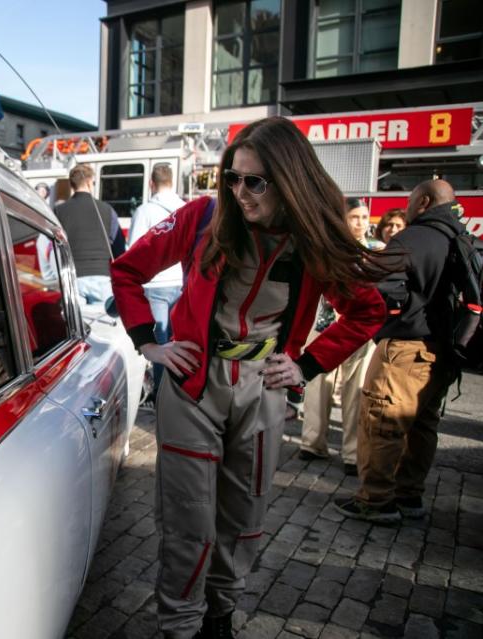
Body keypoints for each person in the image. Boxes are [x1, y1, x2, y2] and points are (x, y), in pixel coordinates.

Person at [110, 116, 389, 638]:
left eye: (254, 181)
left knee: (242, 521)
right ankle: (181, 628)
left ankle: (220, 617)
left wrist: (306, 364)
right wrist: (149, 342)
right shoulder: (202, 217)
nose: (239, 191)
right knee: (189, 522)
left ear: (288, 180)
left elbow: (367, 311)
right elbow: (127, 270)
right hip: (193, 386)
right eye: (232, 178)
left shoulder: (312, 241)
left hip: (263, 390)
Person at [336, 180, 463, 523]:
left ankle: (375, 500)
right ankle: (410, 494)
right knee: (423, 425)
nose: (405, 210)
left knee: (383, 421)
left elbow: (377, 288)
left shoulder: (413, 239)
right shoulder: (461, 237)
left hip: (406, 348)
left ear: (422, 202)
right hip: (446, 350)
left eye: (408, 202)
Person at [299, 198, 383, 476]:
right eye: (355, 217)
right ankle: (312, 442)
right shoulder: (326, 249)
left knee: (356, 390)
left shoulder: (377, 251)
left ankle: (351, 452)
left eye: (364, 217)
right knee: (315, 386)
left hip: (358, 329)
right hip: (322, 325)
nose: (361, 223)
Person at [128, 163, 186, 399]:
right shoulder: (186, 208)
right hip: (181, 283)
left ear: (151, 183)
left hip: (155, 285)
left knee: (160, 346)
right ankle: (182, 391)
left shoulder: (144, 211)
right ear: (172, 183)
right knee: (180, 340)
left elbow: (134, 249)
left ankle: (162, 396)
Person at [55, 163, 125, 305]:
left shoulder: (58, 211)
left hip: (72, 276)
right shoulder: (106, 210)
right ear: (88, 182)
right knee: (104, 325)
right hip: (102, 277)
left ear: (72, 185)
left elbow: (52, 246)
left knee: (77, 325)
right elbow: (119, 247)